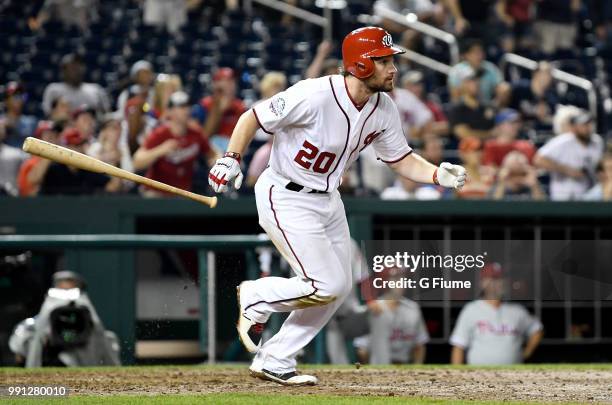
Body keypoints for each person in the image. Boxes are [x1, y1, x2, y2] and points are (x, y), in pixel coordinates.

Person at [207, 26, 466, 386]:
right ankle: (257, 295)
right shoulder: (314, 94)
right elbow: (253, 117)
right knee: (325, 283)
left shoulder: (383, 107)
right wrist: (231, 158)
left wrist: (438, 175)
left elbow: (401, 159)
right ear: (360, 65)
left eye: (392, 61)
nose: (393, 69)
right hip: (285, 193)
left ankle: (276, 358)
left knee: (339, 286)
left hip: (328, 199)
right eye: (384, 61)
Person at [9, 270, 121, 367]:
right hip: (47, 367)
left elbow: (109, 359)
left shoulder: (91, 323)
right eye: (61, 291)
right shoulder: (30, 327)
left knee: (110, 338)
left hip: (84, 369)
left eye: (71, 290)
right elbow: (20, 359)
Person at [450, 263, 544, 365]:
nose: (496, 283)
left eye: (499, 279)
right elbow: (459, 345)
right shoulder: (471, 309)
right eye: (492, 279)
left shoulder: (517, 310)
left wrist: (527, 352)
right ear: (482, 282)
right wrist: (457, 373)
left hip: (513, 375)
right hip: (478, 374)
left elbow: (537, 329)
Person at [133, 91, 217, 196]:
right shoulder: (161, 133)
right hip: (156, 193)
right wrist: (161, 150)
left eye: (188, 106)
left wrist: (215, 161)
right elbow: (137, 161)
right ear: (170, 111)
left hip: (183, 194)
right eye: (181, 107)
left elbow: (213, 153)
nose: (186, 110)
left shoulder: (196, 133)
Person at [358, 267, 429, 365]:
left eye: (403, 278)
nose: (401, 282)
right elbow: (362, 350)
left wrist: (416, 369)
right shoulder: (373, 308)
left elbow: (419, 346)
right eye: (396, 278)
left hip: (405, 367)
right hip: (379, 368)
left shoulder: (413, 309)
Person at [534, 111, 604, 200]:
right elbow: (539, 159)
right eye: (583, 125)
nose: (587, 128)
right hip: (563, 195)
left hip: (588, 194)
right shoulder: (564, 141)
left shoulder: (597, 141)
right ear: (574, 127)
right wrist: (567, 170)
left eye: (589, 124)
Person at [39, 128, 121, 195]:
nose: (76, 150)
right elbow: (33, 183)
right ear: (64, 147)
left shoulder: (88, 169)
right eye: (73, 145)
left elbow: (112, 187)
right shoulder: (55, 168)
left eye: (79, 145)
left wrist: (115, 162)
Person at [192, 68, 246, 152]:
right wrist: (218, 110)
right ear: (216, 84)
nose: (231, 84)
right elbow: (204, 136)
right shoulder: (205, 104)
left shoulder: (240, 106)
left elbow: (243, 136)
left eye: (232, 80)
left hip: (234, 149)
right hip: (211, 150)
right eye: (226, 81)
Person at [42, 53, 110, 117]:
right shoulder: (54, 90)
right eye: (72, 67)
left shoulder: (95, 89)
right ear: (63, 71)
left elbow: (106, 114)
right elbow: (48, 115)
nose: (76, 70)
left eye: (79, 66)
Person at [448, 39, 509, 105]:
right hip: (464, 107)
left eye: (480, 52)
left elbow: (501, 86)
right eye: (475, 52)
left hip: (486, 107)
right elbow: (454, 96)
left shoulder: (490, 68)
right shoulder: (456, 71)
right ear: (467, 55)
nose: (479, 55)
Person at [448, 67, 496, 141]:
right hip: (468, 151)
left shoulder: (487, 107)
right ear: (462, 85)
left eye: (477, 80)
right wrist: (490, 134)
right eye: (471, 80)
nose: (476, 83)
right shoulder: (457, 109)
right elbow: (464, 134)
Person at [17, 121, 61, 197]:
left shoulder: (57, 161)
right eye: (49, 136)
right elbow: (33, 183)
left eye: (55, 135)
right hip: (30, 203)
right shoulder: (31, 162)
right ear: (38, 139)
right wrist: (50, 152)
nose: (53, 139)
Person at [509, 62, 557, 131]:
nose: (546, 77)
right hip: (515, 128)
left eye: (549, 74)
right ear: (535, 73)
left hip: (538, 132)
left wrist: (545, 118)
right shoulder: (520, 87)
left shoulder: (551, 97)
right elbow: (504, 91)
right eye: (544, 73)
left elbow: (553, 119)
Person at [402, 71, 449, 136]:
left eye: (419, 84)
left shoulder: (431, 103)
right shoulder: (400, 106)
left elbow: (446, 126)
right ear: (405, 87)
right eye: (413, 85)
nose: (417, 88)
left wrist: (423, 129)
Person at [0, 82, 37, 148]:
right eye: (15, 96)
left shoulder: (31, 121)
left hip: (26, 155)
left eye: (22, 96)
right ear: (6, 100)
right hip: (5, 155)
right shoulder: (1, 121)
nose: (19, 99)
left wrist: (12, 125)